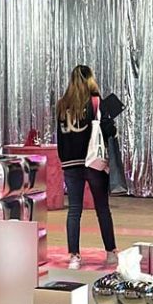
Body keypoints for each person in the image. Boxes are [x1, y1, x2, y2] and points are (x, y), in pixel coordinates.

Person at [56, 64, 118, 271]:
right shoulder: (96, 102)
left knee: (74, 210)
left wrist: (64, 159)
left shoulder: (62, 105)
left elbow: (60, 136)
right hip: (94, 161)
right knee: (102, 208)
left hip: (70, 163)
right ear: (90, 78)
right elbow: (108, 131)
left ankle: (74, 256)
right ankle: (111, 252)